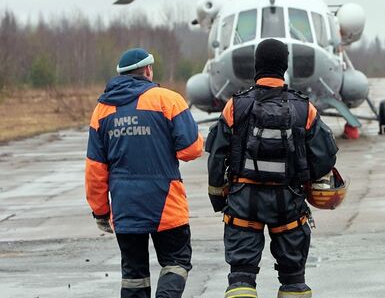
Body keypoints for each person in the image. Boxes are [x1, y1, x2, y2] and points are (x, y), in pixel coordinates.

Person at [205, 38, 338, 298]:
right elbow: (325, 157)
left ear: (256, 66)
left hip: (243, 202)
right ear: (283, 66)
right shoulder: (304, 108)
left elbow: (216, 156)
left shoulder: (235, 106)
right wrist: (304, 180)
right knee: (294, 280)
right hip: (289, 204)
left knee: (241, 278)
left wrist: (218, 196)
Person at [85, 48, 204, 298]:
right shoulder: (167, 99)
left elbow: (95, 168)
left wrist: (100, 211)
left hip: (125, 207)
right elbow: (191, 150)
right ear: (148, 70)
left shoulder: (102, 110)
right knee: (176, 262)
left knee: (134, 277)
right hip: (165, 201)